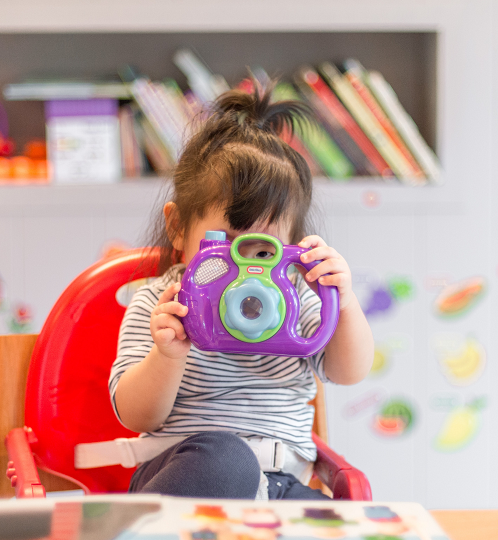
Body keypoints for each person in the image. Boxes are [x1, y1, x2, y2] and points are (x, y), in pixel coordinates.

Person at [109, 81, 374, 500]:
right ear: (179, 227)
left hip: (282, 483)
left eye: (261, 249)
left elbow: (349, 371)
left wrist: (342, 302)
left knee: (337, 524)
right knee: (226, 460)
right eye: (226, 243)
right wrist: (167, 355)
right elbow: (134, 413)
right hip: (191, 474)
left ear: (290, 246)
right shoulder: (161, 304)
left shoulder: (296, 300)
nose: (243, 268)